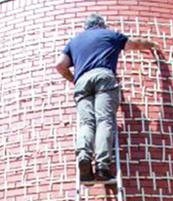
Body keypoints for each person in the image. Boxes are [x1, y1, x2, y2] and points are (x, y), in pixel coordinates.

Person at [55, 14, 155, 181]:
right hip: (103, 77)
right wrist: (151, 44)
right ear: (102, 25)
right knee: (104, 120)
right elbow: (135, 43)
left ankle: (84, 157)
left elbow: (59, 65)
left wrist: (74, 80)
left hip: (82, 82)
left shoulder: (74, 42)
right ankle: (102, 165)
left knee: (87, 122)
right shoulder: (109, 35)